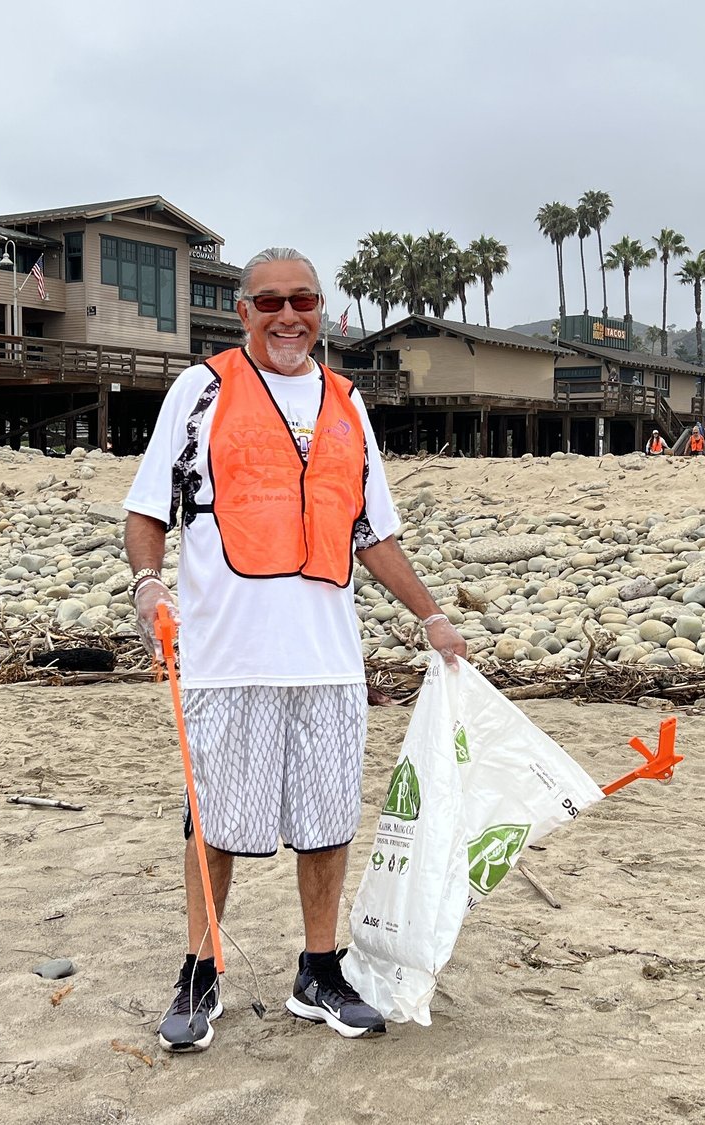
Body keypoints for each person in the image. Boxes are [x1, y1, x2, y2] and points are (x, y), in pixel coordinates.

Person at [122, 247, 467, 1053]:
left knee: (327, 821)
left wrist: (433, 618)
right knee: (214, 822)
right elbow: (147, 511)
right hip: (225, 657)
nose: (287, 316)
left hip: (328, 661)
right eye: (269, 301)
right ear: (242, 312)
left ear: (323, 310)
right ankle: (200, 972)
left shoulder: (347, 402)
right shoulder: (200, 391)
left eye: (302, 301)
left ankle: (319, 970)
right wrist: (147, 585)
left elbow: (371, 531)